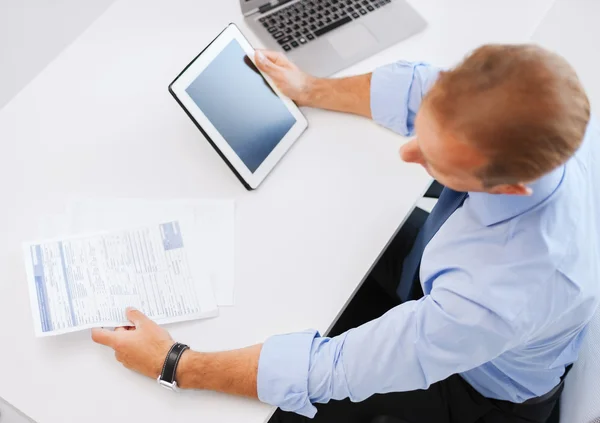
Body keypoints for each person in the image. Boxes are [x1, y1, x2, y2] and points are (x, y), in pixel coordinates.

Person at [92, 44, 600, 423]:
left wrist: (175, 363)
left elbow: (332, 370)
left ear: (510, 188)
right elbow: (422, 86)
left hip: (476, 389)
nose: (409, 154)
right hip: (456, 286)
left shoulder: (497, 293)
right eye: (419, 131)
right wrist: (309, 89)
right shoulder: (541, 108)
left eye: (435, 161)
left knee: (281, 411)